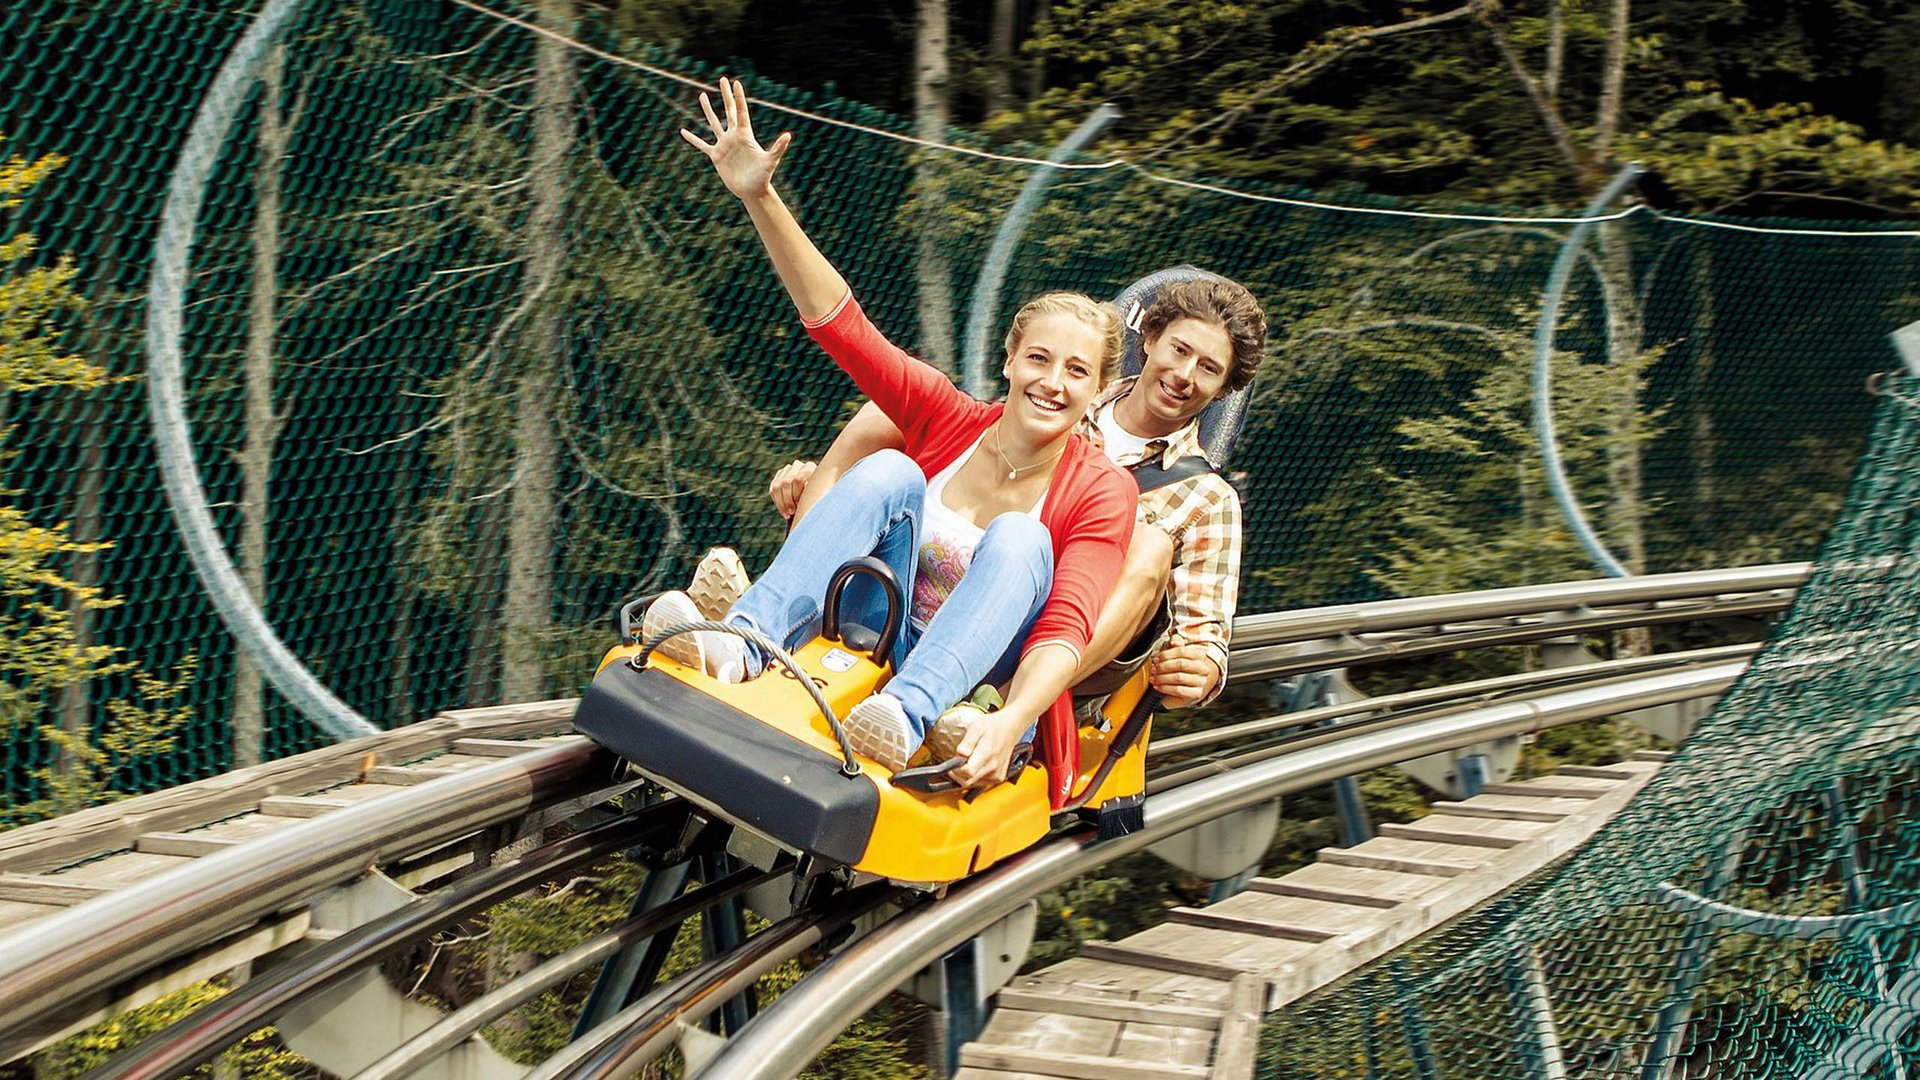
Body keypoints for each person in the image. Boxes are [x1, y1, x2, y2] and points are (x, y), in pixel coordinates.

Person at [647, 77, 1136, 791]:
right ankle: (743, 643)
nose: (1052, 383)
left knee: (1023, 538)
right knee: (890, 473)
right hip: (874, 636)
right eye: (1038, 359)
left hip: (978, 689)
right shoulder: (951, 418)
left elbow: (1066, 629)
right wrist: (759, 196)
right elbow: (843, 328)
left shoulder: (1102, 490)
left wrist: (1014, 718)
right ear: (1009, 360)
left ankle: (907, 720)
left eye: (1075, 371)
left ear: (1097, 391)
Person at [763, 275, 1266, 710]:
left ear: (1222, 390)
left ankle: (996, 701)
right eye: (1180, 350)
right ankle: (781, 602)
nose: (1183, 374)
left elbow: (1204, 635)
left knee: (1145, 543)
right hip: (941, 570)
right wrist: (837, 489)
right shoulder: (1053, 396)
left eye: (1207, 368)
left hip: (1037, 632)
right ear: (1150, 340)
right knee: (884, 418)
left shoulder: (1205, 497)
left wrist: (1199, 671)